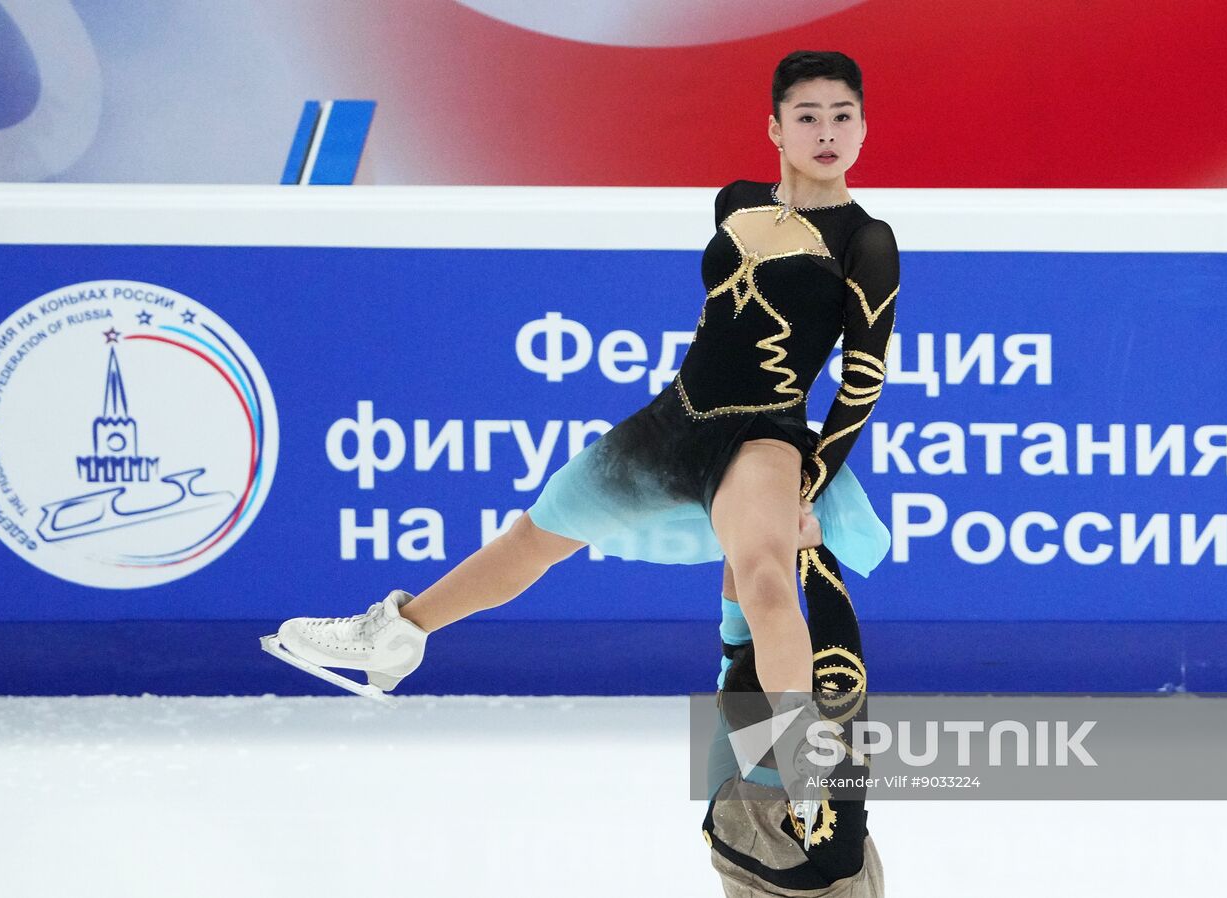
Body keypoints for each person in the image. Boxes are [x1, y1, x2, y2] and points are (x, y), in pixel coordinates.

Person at [262, 48, 899, 773]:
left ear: (863, 128)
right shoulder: (735, 201)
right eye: (807, 116)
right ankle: (397, 634)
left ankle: (792, 768)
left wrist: (808, 485)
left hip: (765, 434)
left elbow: (862, 382)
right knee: (534, 534)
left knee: (763, 574)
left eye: (843, 116)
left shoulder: (867, 240)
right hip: (675, 418)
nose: (827, 131)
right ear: (776, 129)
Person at [705, 543, 883, 897]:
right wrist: (809, 545)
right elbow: (843, 673)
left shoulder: (724, 811)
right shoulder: (820, 836)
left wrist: (750, 527)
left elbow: (736, 644)